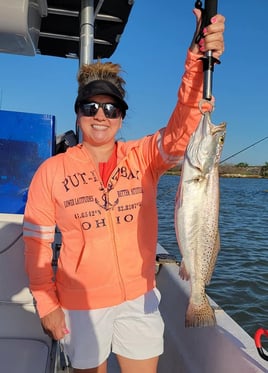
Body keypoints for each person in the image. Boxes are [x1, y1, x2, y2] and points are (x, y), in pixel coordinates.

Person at [23, 7, 225, 373]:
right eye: (91, 106)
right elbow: (37, 244)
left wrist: (196, 61)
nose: (100, 115)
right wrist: (46, 303)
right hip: (81, 304)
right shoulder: (50, 172)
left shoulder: (144, 157)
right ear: (79, 112)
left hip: (139, 299)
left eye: (110, 108)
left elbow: (182, 129)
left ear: (121, 116)